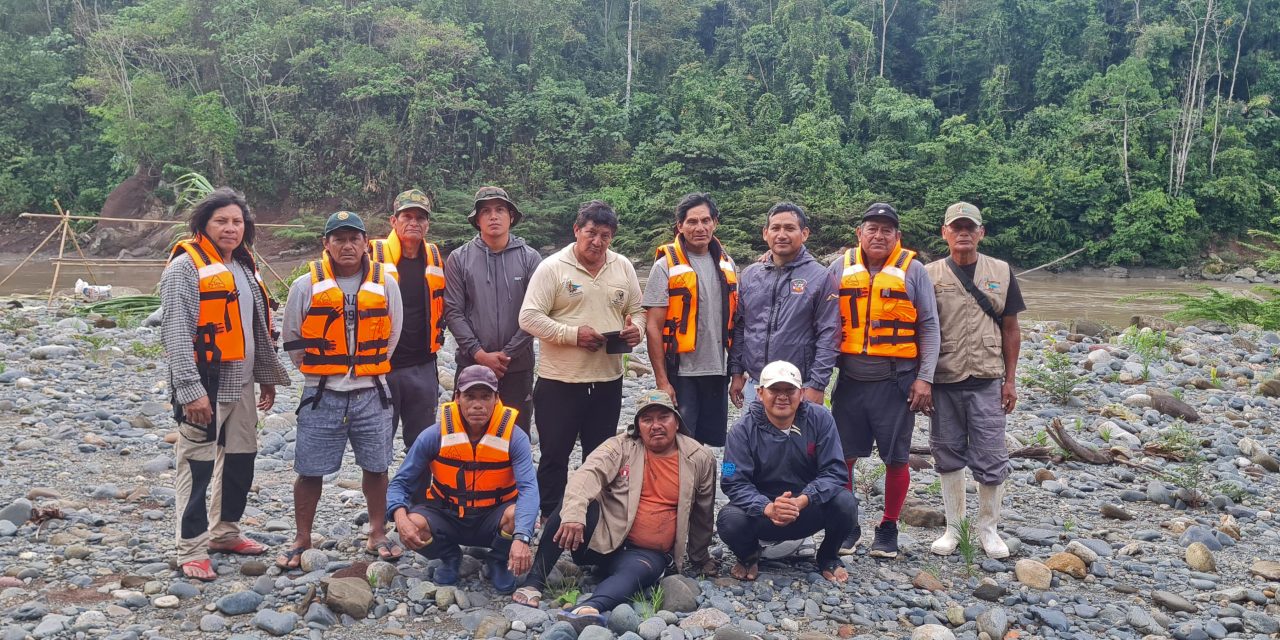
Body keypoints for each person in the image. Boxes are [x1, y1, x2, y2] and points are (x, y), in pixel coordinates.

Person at [160, 187, 292, 581]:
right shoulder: (184, 268)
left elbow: (255, 329)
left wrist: (266, 378)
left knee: (240, 460)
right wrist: (190, 390)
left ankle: (224, 532)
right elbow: (176, 331)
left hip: (243, 383)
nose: (231, 228)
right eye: (222, 221)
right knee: (197, 467)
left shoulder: (243, 266)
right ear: (203, 224)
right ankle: (191, 548)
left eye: (237, 221)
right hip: (205, 384)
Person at [514, 390, 716, 628]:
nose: (656, 425)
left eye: (663, 417)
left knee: (635, 574)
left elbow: (704, 512)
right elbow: (587, 474)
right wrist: (575, 515)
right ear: (637, 426)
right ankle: (535, 581)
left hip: (646, 553)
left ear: (677, 422)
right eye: (647, 420)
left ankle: (590, 607)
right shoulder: (621, 446)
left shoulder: (700, 457)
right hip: (602, 540)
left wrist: (700, 557)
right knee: (571, 505)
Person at [278, 211, 405, 567]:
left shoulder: (386, 284)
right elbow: (293, 338)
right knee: (309, 469)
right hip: (322, 394)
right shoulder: (305, 285)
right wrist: (318, 373)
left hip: (372, 392)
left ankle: (377, 532)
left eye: (354, 239)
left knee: (377, 466)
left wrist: (366, 368)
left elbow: (393, 333)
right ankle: (302, 537)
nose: (347, 246)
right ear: (326, 244)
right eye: (339, 239)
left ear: (366, 243)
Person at [826, 203, 939, 559]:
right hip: (850, 380)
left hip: (896, 381)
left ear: (897, 237)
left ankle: (888, 525)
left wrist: (925, 378)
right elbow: (820, 321)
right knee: (843, 457)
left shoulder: (914, 271)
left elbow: (929, 326)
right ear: (859, 234)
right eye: (872, 228)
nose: (879, 235)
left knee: (896, 458)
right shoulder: (839, 268)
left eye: (887, 230)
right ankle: (849, 523)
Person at [519, 201, 645, 519]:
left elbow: (639, 310)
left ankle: (593, 514)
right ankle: (548, 515)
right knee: (554, 454)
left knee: (601, 453)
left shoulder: (623, 267)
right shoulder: (553, 267)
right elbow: (529, 318)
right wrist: (573, 335)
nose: (597, 242)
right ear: (576, 231)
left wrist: (636, 331)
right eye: (590, 233)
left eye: (605, 235)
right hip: (559, 380)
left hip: (607, 379)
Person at [923, 202, 1024, 559]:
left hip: (987, 379)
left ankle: (988, 527)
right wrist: (921, 380)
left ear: (981, 232)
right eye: (956, 227)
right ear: (945, 232)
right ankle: (954, 528)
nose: (963, 233)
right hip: (943, 379)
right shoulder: (927, 274)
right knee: (946, 453)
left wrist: (1010, 381)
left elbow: (1011, 329)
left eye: (970, 227)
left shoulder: (1002, 271)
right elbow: (919, 329)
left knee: (992, 456)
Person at [385, 365, 538, 594]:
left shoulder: (515, 437)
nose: (478, 405)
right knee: (411, 523)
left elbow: (529, 489)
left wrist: (523, 537)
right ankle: (450, 556)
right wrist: (400, 517)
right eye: (469, 396)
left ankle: (497, 559)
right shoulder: (434, 435)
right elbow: (400, 482)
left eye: (486, 397)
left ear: (497, 399)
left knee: (518, 515)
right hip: (448, 516)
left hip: (493, 518)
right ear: (457, 398)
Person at [718, 361, 856, 583]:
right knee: (728, 520)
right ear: (760, 393)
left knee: (846, 503)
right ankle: (749, 556)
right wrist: (768, 507)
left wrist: (803, 500)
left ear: (801, 393)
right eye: (774, 390)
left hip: (806, 509)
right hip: (761, 515)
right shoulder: (739, 431)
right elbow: (731, 480)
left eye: (789, 390)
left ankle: (828, 556)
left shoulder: (821, 419)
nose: (782, 397)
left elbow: (836, 470)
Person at [643, 192, 738, 447]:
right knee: (680, 443)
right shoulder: (665, 266)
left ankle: (706, 487)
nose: (700, 228)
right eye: (692, 222)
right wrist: (662, 381)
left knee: (709, 444)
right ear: (680, 226)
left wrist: (737, 371)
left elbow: (738, 323)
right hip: (681, 372)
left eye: (706, 221)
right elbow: (653, 327)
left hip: (717, 371)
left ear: (715, 223)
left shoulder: (727, 264)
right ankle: (681, 488)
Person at [444, 187, 542, 432]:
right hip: (471, 365)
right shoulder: (459, 258)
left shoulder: (530, 258)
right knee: (465, 436)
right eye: (486, 211)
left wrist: (507, 354)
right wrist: (479, 354)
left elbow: (538, 310)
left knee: (514, 435)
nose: (493, 216)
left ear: (511, 216)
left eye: (500, 210)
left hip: (517, 366)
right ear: (477, 220)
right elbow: (453, 311)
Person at [729, 202, 839, 409]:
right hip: (756, 382)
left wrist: (817, 385)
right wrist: (736, 372)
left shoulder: (820, 277)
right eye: (775, 228)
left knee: (799, 440)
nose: (781, 234)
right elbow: (742, 328)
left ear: (804, 233)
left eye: (789, 228)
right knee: (757, 439)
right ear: (765, 233)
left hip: (800, 385)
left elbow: (829, 334)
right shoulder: (751, 274)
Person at [370, 189, 446, 450]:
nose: (414, 222)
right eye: (407, 216)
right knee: (379, 446)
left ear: (427, 224)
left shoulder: (434, 258)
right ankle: (381, 493)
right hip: (383, 367)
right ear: (394, 221)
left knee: (423, 445)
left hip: (423, 366)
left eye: (420, 218)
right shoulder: (371, 256)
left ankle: (419, 492)